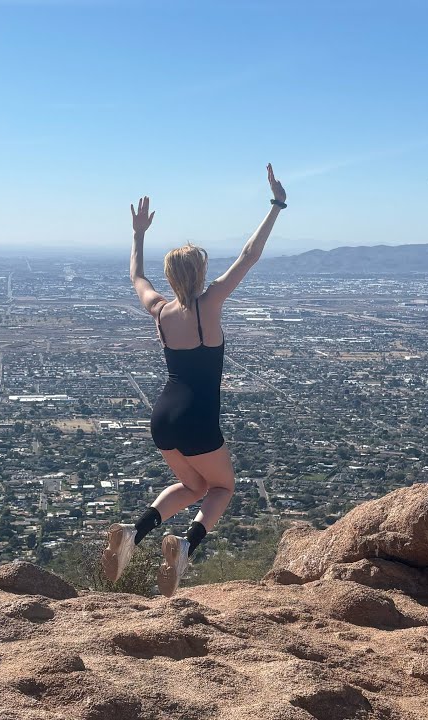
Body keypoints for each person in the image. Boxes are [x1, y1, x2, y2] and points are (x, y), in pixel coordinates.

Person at [102, 164, 287, 596]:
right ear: (201, 274)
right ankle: (185, 546)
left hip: (163, 415)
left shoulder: (160, 310)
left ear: (170, 279)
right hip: (199, 417)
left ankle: (133, 533)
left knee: (192, 485)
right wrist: (276, 206)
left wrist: (138, 234)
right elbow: (249, 255)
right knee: (221, 487)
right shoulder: (211, 303)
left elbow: (136, 277)